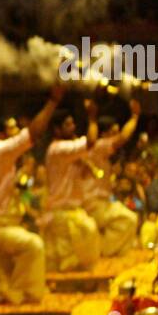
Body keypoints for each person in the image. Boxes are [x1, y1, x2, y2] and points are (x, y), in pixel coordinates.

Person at [0, 86, 63, 304]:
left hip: (4, 224)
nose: (17, 132)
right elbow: (34, 133)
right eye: (12, 129)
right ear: (0, 135)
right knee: (33, 244)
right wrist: (52, 102)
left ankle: (14, 289)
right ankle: (20, 294)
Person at [40, 99, 100, 272]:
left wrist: (85, 167)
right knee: (67, 263)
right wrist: (93, 119)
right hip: (62, 212)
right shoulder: (58, 149)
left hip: (71, 211)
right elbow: (91, 142)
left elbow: (84, 174)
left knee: (75, 259)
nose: (73, 127)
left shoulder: (68, 152)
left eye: (73, 123)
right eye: (68, 124)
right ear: (57, 130)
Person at [84, 100, 142, 257]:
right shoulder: (98, 145)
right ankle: (101, 254)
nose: (115, 138)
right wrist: (135, 117)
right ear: (104, 135)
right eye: (113, 133)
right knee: (128, 219)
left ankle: (107, 254)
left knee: (129, 221)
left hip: (99, 203)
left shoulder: (99, 152)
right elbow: (123, 137)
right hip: (94, 205)